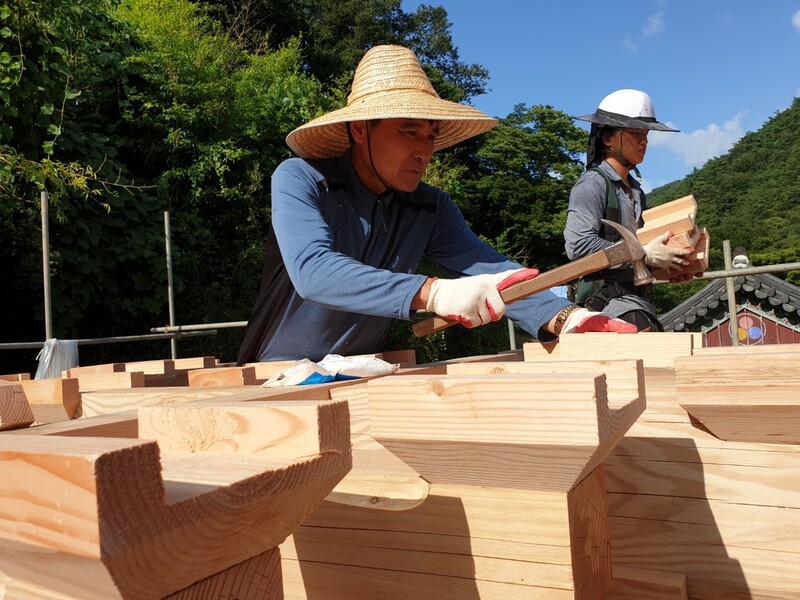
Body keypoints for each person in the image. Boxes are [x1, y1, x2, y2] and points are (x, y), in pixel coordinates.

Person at [237, 45, 636, 364]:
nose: (423, 151)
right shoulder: (301, 178)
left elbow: (494, 271)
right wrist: (433, 292)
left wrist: (566, 316)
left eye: (430, 135)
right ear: (360, 129)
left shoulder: (430, 207)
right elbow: (313, 271)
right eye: (408, 131)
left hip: (364, 370)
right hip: (278, 374)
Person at [564, 89, 693, 332]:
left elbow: (642, 257)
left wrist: (670, 266)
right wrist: (641, 253)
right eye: (635, 134)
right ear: (608, 139)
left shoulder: (636, 191)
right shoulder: (591, 184)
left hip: (640, 303)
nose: (644, 142)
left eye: (646, 135)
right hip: (606, 305)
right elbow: (578, 246)